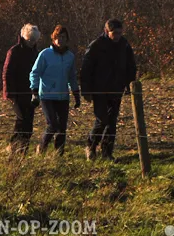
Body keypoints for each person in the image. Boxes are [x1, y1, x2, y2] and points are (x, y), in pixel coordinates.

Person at [80, 19, 137, 161]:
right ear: (107, 31)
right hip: (99, 90)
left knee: (112, 122)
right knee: (102, 119)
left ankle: (107, 152)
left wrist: (129, 84)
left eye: (119, 33)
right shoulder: (96, 46)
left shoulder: (124, 45)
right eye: (114, 33)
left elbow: (131, 65)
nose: (117, 36)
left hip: (116, 88)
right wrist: (86, 90)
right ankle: (91, 144)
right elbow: (86, 69)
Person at [30, 25, 80, 156]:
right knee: (52, 124)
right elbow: (35, 73)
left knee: (62, 128)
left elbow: (72, 77)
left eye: (63, 37)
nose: (60, 40)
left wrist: (76, 93)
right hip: (47, 95)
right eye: (58, 37)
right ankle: (42, 147)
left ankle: (59, 154)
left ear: (67, 39)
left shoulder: (70, 57)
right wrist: (34, 91)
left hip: (63, 96)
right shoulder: (45, 54)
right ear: (53, 38)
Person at [2, 24, 41, 155]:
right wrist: (9, 93)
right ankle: (15, 148)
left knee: (28, 124)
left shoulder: (35, 53)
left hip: (30, 93)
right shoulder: (14, 51)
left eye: (34, 41)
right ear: (24, 38)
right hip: (17, 93)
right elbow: (7, 73)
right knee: (22, 120)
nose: (32, 43)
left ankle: (22, 149)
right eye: (30, 40)